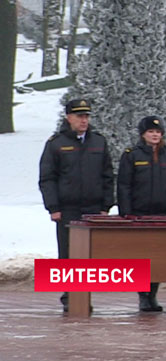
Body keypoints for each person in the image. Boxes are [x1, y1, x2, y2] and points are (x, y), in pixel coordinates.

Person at [39, 99, 114, 312]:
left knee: (89, 255)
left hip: (93, 208)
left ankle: (84, 296)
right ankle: (69, 296)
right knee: (68, 253)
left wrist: (105, 206)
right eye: (79, 116)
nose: (84, 120)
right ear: (68, 118)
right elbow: (47, 178)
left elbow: (107, 175)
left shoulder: (98, 142)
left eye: (86, 116)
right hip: (67, 208)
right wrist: (53, 207)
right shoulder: (56, 143)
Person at [117, 116, 166, 312]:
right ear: (143, 134)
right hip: (139, 213)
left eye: (158, 132)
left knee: (157, 257)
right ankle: (142, 295)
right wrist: (126, 212)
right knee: (141, 258)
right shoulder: (132, 155)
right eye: (151, 132)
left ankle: (153, 295)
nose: (155, 135)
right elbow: (124, 186)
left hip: (163, 213)